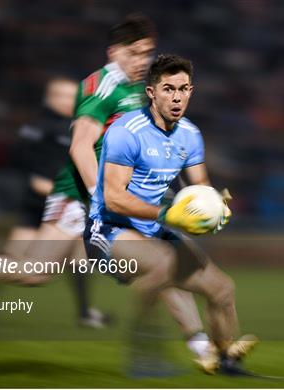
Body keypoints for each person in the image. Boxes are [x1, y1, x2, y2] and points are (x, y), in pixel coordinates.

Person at [0, 14, 216, 364]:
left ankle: (201, 346)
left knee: (159, 261)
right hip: (77, 196)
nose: (142, 60)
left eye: (147, 52)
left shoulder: (142, 86)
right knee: (35, 273)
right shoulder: (101, 87)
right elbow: (80, 147)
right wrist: (100, 198)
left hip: (117, 201)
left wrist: (177, 189)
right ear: (113, 52)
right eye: (133, 52)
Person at [84, 53, 258, 375]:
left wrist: (216, 207)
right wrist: (168, 213)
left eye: (183, 89)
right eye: (167, 89)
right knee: (164, 263)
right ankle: (142, 349)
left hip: (154, 228)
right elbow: (113, 198)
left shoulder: (189, 135)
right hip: (107, 229)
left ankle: (225, 362)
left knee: (222, 289)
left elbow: (201, 186)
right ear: (151, 92)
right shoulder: (127, 131)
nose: (176, 97)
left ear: (191, 91)